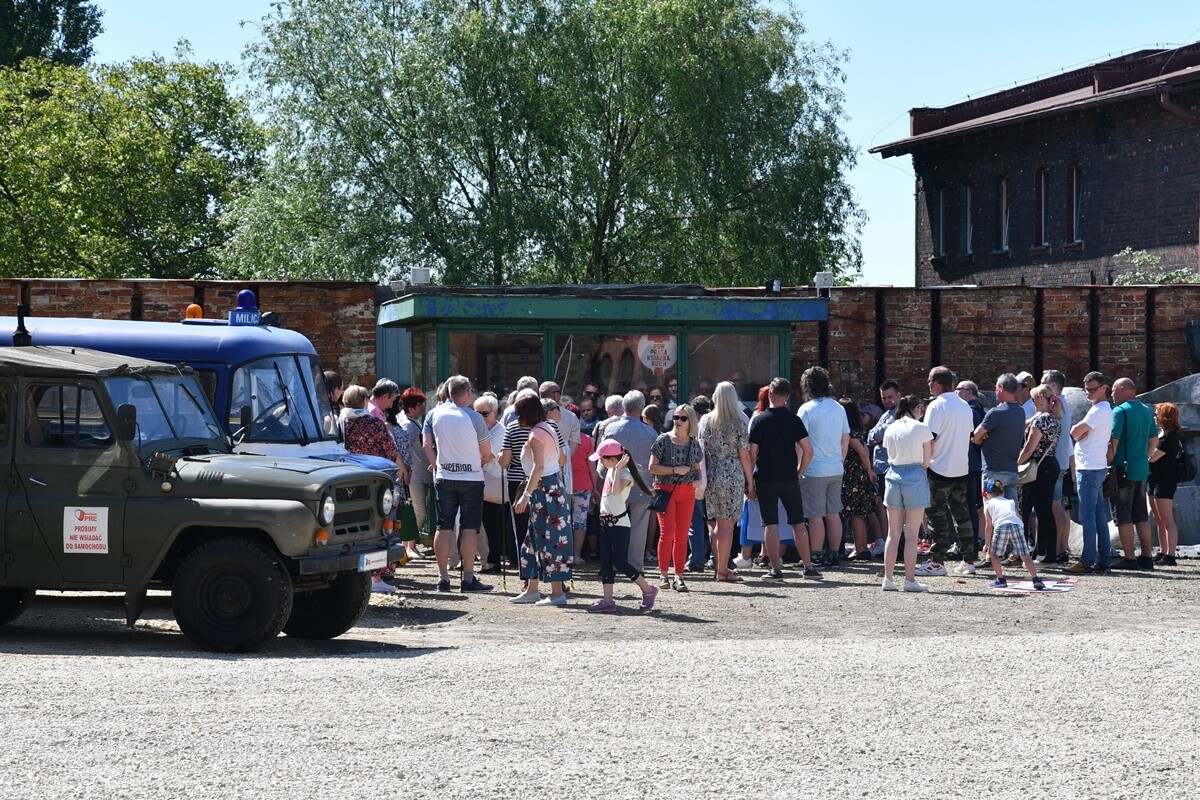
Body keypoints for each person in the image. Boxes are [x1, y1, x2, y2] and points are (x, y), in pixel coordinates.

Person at [422, 375, 494, 593]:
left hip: (445, 477)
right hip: (471, 478)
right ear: (469, 392)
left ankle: (443, 578)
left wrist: (436, 464)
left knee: (443, 527)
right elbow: (486, 451)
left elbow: (426, 443)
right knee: (469, 529)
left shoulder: (433, 413)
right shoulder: (474, 417)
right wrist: (484, 459)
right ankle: (469, 579)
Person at [503, 391, 572, 606]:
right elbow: (561, 458)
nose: (516, 418)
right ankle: (533, 589)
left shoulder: (535, 435)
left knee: (548, 539)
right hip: (552, 487)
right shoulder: (550, 427)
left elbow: (538, 467)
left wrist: (526, 494)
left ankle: (556, 593)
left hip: (543, 490)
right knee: (534, 540)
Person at [747, 377, 820, 580]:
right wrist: (800, 469)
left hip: (766, 478)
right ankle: (808, 566)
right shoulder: (794, 420)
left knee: (770, 524)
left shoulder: (759, 420)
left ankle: (776, 569)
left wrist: (749, 482)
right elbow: (809, 450)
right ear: (787, 396)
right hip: (789, 477)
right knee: (797, 522)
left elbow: (752, 454)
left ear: (769, 394)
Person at [340, 385, 402, 594]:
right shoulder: (374, 423)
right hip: (374, 481)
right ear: (365, 401)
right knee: (381, 527)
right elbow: (390, 451)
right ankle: (377, 575)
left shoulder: (338, 422)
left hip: (344, 481)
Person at [586, 440, 660, 613]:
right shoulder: (612, 471)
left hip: (619, 524)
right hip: (606, 522)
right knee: (606, 562)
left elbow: (617, 492)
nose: (600, 462)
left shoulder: (624, 474)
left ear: (613, 459)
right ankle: (608, 600)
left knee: (620, 562)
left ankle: (648, 590)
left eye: (603, 459)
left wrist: (619, 469)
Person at [922, 365, 976, 577]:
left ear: (936, 383)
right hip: (961, 469)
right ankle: (969, 560)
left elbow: (929, 438)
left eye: (929, 382)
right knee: (962, 516)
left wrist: (924, 463)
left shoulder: (936, 406)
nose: (928, 385)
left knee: (937, 517)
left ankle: (937, 561)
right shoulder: (965, 406)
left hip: (939, 468)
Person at [699, 382, 754, 581]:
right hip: (732, 474)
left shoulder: (705, 420)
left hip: (711, 474)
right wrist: (750, 482)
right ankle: (723, 571)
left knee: (714, 525)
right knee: (727, 526)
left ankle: (718, 567)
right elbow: (745, 456)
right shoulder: (738, 422)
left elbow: (701, 450)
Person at [880, 394, 934, 592]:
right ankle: (910, 580)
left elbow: (888, 454)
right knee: (912, 534)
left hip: (893, 475)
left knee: (892, 534)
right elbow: (927, 462)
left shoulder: (891, 427)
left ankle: (888, 579)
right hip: (915, 476)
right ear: (918, 408)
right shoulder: (921, 428)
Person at [796, 366, 849, 566]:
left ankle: (816, 556)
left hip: (814, 469)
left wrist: (798, 467)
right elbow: (845, 439)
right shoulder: (838, 408)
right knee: (833, 513)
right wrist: (840, 461)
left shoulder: (806, 409)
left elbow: (801, 443)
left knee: (815, 515)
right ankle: (834, 555)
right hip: (835, 467)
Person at [601, 390, 659, 570]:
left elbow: (602, 460)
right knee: (639, 527)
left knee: (613, 523)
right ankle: (634, 565)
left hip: (616, 484)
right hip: (642, 486)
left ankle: (613, 562)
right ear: (642, 408)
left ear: (624, 406)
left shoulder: (610, 429)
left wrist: (602, 481)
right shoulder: (650, 433)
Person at [649, 403, 703, 591]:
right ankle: (663, 574)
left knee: (682, 535)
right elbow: (652, 467)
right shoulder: (663, 440)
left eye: (682, 418)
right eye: (675, 417)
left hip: (686, 491)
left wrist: (699, 481)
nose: (678, 421)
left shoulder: (694, 443)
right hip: (665, 489)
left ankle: (678, 576)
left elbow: (698, 469)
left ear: (690, 421)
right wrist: (674, 470)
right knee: (667, 533)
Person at [1066, 372, 1114, 574]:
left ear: (1104, 388)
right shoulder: (1103, 409)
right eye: (1087, 390)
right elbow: (1078, 431)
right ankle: (1103, 559)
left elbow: (1074, 432)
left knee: (1088, 517)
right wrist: (1080, 431)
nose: (1089, 393)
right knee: (1098, 516)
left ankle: (1087, 560)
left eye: (1093, 389)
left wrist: (1080, 432)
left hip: (1088, 468)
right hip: (1096, 466)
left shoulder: (1097, 411)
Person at [1108, 377, 1158, 571]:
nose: (1112, 394)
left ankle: (1130, 558)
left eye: (1114, 390)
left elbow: (1114, 441)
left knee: (1123, 515)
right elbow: (1154, 440)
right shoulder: (1146, 410)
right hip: (1141, 468)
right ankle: (1147, 556)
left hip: (1123, 469)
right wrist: (1144, 457)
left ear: (1124, 390)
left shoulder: (1120, 411)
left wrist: (1107, 461)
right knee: (1141, 515)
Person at [1016, 385, 1062, 564]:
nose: (1033, 402)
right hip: (1049, 465)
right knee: (1045, 510)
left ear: (1041, 399)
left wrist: (1017, 463)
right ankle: (1045, 551)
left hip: (1038, 467)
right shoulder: (1052, 418)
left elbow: (1029, 447)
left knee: (1042, 511)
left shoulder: (1041, 419)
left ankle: (1047, 554)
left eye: (1034, 399)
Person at [982, 479, 1046, 590]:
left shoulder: (988, 504)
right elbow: (1019, 518)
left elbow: (988, 526)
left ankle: (1000, 579)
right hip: (1017, 525)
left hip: (1001, 525)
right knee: (1025, 555)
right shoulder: (1010, 502)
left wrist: (987, 544)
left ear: (987, 494)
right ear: (1003, 492)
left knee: (994, 554)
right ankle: (1036, 579)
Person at [972, 373, 1025, 502]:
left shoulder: (996, 412)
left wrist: (982, 438)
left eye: (996, 388)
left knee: (991, 513)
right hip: (1012, 470)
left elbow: (975, 437)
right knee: (1012, 512)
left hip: (993, 471)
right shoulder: (1021, 411)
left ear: (1000, 388)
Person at [1040, 370, 1074, 564]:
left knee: (1055, 507)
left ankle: (1058, 549)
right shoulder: (1063, 403)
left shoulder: (1056, 404)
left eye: (1044, 383)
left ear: (1053, 386)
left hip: (1055, 462)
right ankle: (1060, 549)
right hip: (1060, 461)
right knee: (1058, 507)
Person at [838, 398, 877, 560]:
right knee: (858, 513)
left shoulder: (850, 432)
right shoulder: (857, 429)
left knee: (855, 514)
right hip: (858, 474)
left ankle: (860, 549)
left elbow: (863, 453)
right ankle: (861, 548)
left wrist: (869, 471)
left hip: (853, 475)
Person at [474, 392, 508, 574]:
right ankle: (487, 560)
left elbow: (487, 456)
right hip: (481, 480)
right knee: (482, 523)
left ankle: (494, 561)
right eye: (477, 413)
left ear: (494, 412)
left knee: (492, 523)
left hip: (493, 481)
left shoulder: (500, 431)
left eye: (484, 413)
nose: (480, 417)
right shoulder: (479, 429)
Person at [398, 388, 430, 560]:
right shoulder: (408, 425)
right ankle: (407, 547)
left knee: (418, 511)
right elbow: (402, 449)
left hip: (418, 473)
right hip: (414, 475)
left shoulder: (411, 422)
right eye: (420, 405)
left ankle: (410, 546)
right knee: (418, 512)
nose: (423, 408)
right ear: (411, 408)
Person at [1149, 402, 1182, 566]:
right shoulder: (1161, 434)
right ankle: (1162, 551)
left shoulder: (1170, 436)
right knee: (1159, 519)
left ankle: (1170, 555)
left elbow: (1152, 457)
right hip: (1154, 479)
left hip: (1165, 481)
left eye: (1157, 414)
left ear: (1165, 417)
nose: (1155, 417)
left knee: (1167, 519)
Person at [955, 380, 986, 545]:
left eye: (958, 389)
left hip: (970, 463)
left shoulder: (971, 411)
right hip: (972, 463)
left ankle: (970, 542)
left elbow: (972, 436)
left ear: (968, 392)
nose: (955, 392)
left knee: (969, 505)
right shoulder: (974, 409)